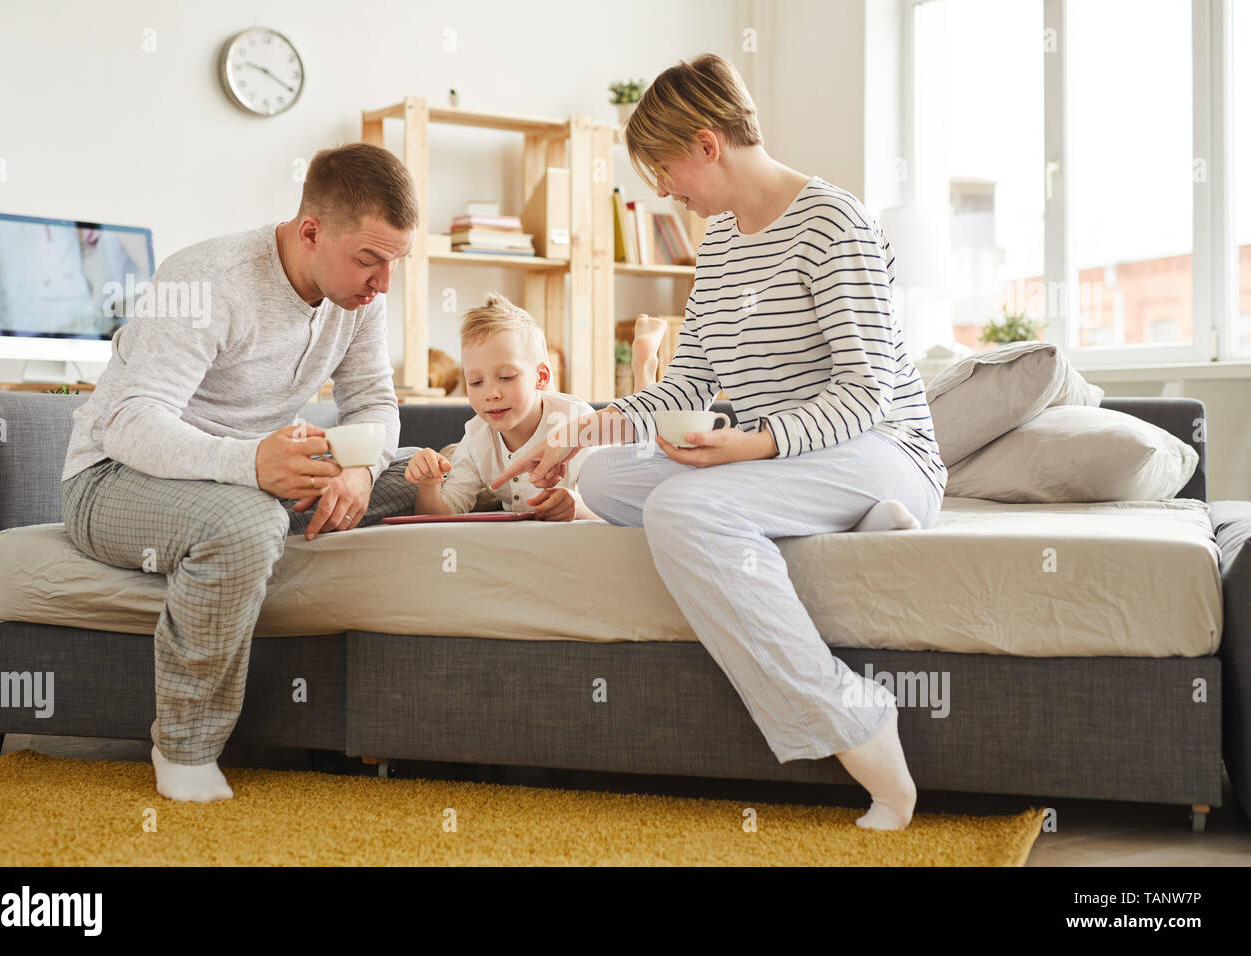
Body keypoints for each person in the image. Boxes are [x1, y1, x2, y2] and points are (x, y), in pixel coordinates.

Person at [492, 54, 947, 829]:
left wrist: (755, 445)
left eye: (664, 169)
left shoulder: (838, 223)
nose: (664, 191)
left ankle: (861, 725)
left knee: (686, 513)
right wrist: (576, 431)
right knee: (604, 480)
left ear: (707, 144)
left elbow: (869, 392)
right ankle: (817, 515)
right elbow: (687, 387)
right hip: (790, 456)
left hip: (884, 452)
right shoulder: (726, 243)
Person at [61, 142, 423, 803]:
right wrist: (249, 464)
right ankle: (187, 748)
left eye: (394, 263)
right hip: (115, 476)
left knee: (432, 472)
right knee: (251, 522)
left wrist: (360, 472)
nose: (382, 285)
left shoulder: (361, 298)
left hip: (253, 471)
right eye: (369, 260)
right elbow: (132, 423)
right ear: (311, 230)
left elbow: (373, 402)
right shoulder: (203, 281)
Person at [405, 292, 598, 521]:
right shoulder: (476, 436)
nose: (490, 394)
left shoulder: (577, 422)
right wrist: (428, 484)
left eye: (506, 377)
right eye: (476, 382)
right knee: (450, 454)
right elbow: (442, 514)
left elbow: (616, 507)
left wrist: (576, 506)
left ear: (541, 377)